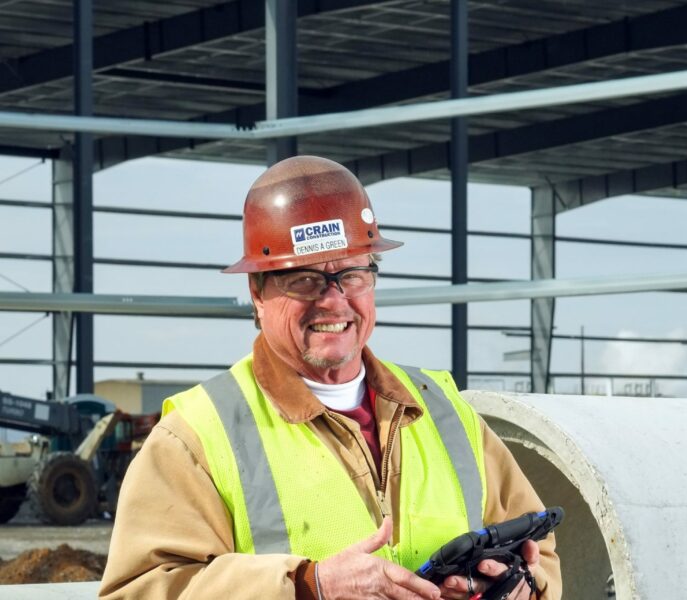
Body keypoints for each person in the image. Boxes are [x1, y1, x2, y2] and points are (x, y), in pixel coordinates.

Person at [99, 156, 561, 600]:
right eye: (304, 280)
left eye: (352, 274)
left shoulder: (444, 409)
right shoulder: (197, 436)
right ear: (257, 293)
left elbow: (541, 553)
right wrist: (307, 586)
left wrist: (518, 583)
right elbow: (139, 591)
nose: (334, 301)